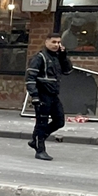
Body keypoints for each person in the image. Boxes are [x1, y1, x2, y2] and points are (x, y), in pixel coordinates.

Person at [26, 32, 72, 161]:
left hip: (53, 95)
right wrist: (34, 95)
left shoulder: (57, 57)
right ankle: (40, 149)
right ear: (46, 42)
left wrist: (64, 55)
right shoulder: (39, 57)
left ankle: (36, 139)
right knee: (42, 122)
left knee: (59, 121)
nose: (56, 45)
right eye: (53, 42)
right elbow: (30, 78)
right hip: (42, 94)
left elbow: (68, 71)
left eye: (58, 42)